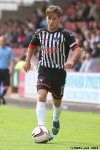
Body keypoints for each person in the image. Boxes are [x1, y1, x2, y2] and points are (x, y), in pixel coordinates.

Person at [23, 5, 81, 140]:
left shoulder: (66, 35)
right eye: (49, 18)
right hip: (44, 69)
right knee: (41, 96)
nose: (51, 21)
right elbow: (32, 46)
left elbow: (78, 50)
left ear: (59, 19)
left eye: (54, 19)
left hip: (59, 72)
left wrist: (71, 61)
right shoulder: (40, 33)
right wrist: (27, 61)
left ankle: (56, 119)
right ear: (46, 18)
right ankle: (42, 128)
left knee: (57, 102)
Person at [0, 35, 14, 104]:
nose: (1, 42)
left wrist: (11, 67)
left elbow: (11, 60)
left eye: (2, 41)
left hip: (6, 69)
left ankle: (2, 96)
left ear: (5, 42)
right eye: (0, 41)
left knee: (6, 85)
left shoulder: (9, 50)